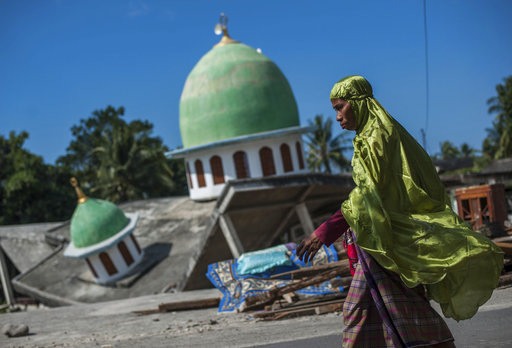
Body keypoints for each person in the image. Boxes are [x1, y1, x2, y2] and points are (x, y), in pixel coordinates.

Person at [296, 75, 503, 347]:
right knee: (393, 309)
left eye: (340, 107)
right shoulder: (374, 134)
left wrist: (323, 232)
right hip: (383, 240)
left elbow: (366, 196)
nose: (337, 117)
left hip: (388, 241)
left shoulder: (375, 137)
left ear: (358, 103)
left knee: (363, 310)